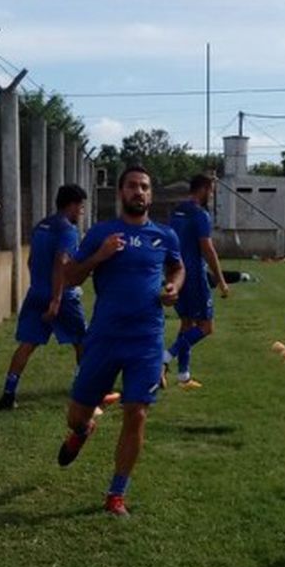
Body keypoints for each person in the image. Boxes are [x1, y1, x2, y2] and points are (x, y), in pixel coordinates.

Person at [55, 166, 183, 517]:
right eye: (132, 186)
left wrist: (175, 287)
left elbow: (177, 268)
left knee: (136, 411)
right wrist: (100, 256)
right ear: (120, 193)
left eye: (144, 187)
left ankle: (116, 494)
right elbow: (69, 277)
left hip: (146, 339)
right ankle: (82, 431)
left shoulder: (165, 236)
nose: (138, 192)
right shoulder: (102, 232)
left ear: (150, 195)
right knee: (76, 414)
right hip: (105, 337)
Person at [0, 184, 89, 410]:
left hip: (36, 293)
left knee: (27, 344)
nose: (82, 212)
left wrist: (39, 285)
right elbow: (61, 263)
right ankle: (83, 390)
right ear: (72, 205)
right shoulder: (67, 230)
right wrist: (56, 299)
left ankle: (8, 393)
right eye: (81, 207)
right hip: (61, 297)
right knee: (83, 342)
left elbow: (31, 261)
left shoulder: (41, 226)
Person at [164, 174, 230, 389]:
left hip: (176, 274)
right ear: (202, 190)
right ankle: (166, 356)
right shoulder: (200, 215)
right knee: (206, 327)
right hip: (193, 276)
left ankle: (184, 375)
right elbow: (208, 250)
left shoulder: (176, 211)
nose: (211, 195)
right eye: (211, 191)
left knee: (186, 324)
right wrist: (221, 280)